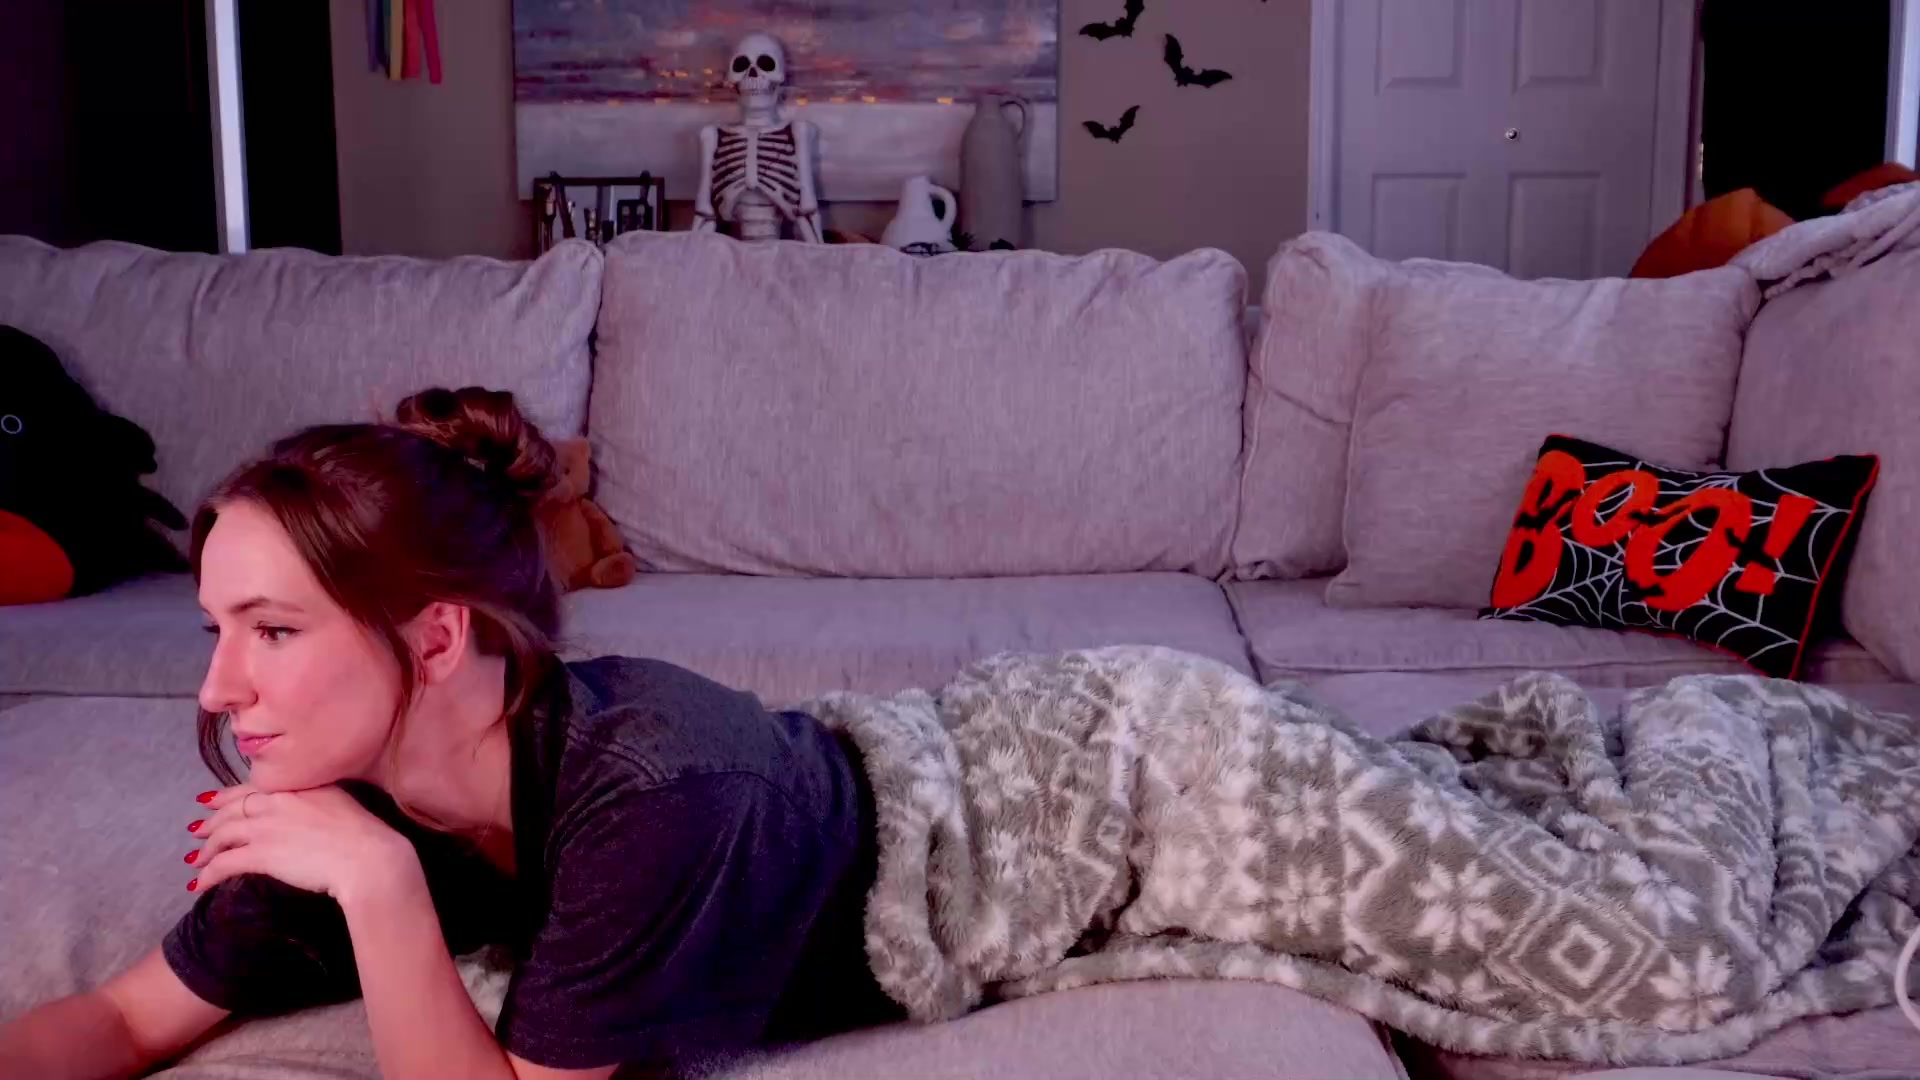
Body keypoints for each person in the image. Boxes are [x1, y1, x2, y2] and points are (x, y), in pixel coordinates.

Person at [0, 387, 897, 1080]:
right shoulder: (344, 798)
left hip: (948, 813)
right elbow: (124, 1020)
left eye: (272, 629)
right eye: (218, 629)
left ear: (435, 640)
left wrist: (380, 886)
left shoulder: (653, 795)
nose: (217, 689)